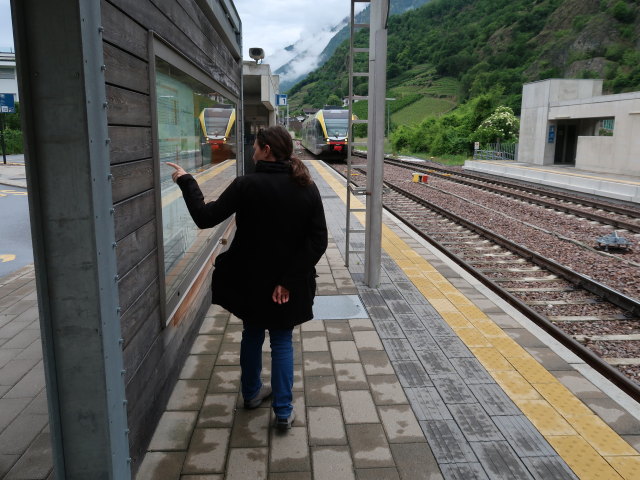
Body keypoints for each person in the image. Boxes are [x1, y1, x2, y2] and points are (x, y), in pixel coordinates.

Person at [167, 125, 328, 431]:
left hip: (251, 281)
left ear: (267, 149)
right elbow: (317, 240)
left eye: (256, 146)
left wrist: (185, 181)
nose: (253, 151)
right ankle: (283, 411)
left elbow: (205, 216)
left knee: (252, 335)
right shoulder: (306, 186)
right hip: (287, 286)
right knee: (281, 341)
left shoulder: (246, 185)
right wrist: (288, 281)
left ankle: (252, 395)